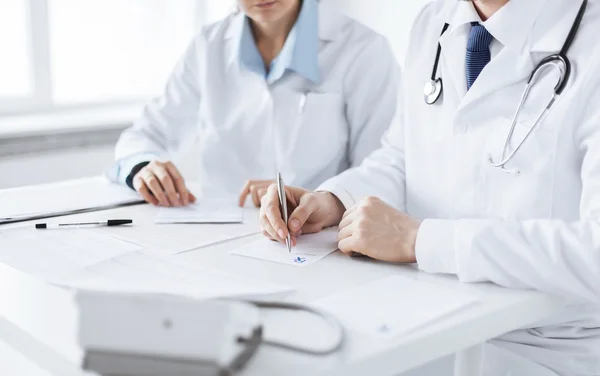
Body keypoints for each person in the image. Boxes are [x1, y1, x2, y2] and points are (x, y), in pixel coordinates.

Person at [259, 0, 600, 375]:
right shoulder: (435, 21)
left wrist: (421, 240)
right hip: (429, 320)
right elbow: (401, 157)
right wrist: (334, 200)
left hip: (546, 346)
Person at [111, 0, 399, 208]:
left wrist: (316, 198)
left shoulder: (364, 50)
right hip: (218, 232)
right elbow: (145, 136)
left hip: (315, 238)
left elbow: (381, 171)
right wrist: (143, 166)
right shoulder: (207, 46)